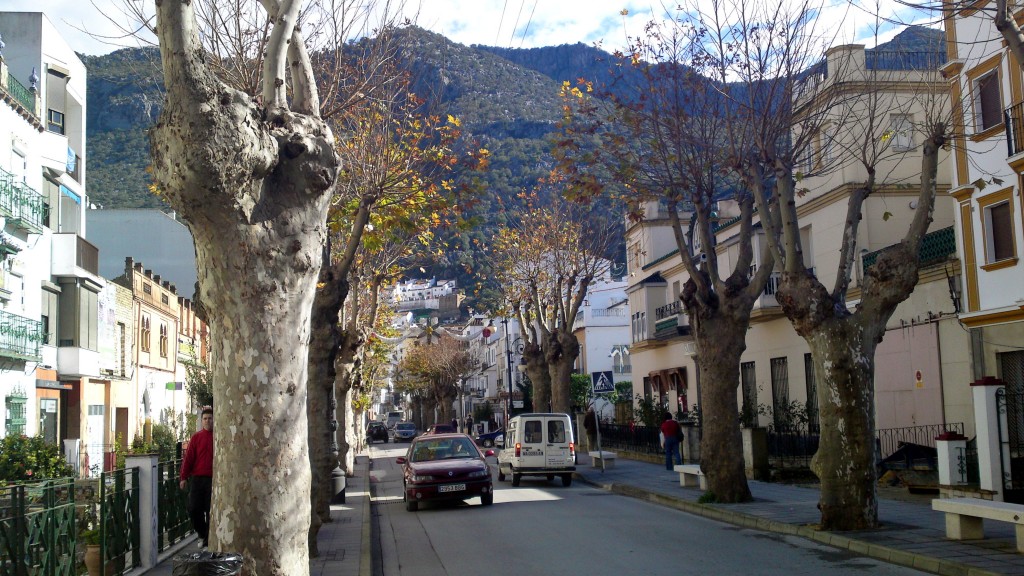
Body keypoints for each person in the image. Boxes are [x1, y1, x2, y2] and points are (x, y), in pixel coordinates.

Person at [180, 407, 214, 548]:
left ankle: (208, 538)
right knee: (193, 508)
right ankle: (202, 533)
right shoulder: (196, 437)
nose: (207, 421)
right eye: (205, 419)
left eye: (210, 418)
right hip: (197, 479)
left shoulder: (218, 437)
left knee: (210, 510)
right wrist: (183, 477)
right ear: (201, 421)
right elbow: (188, 458)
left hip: (213, 480)